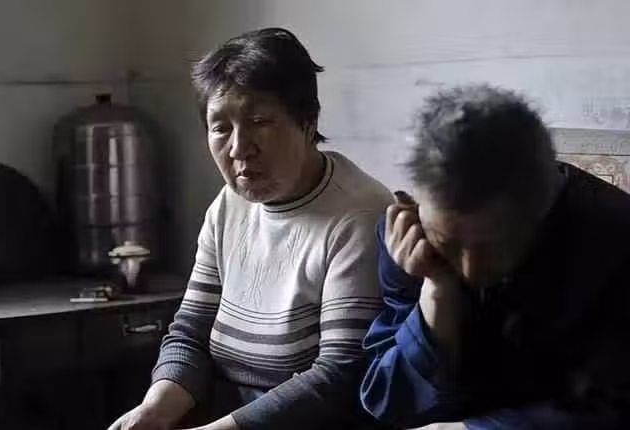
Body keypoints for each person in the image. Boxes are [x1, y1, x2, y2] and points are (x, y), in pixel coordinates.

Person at [108, 28, 393, 430]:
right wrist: (154, 411)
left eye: (259, 122)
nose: (240, 148)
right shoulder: (230, 205)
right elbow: (190, 333)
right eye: (221, 128)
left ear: (307, 122)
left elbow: (340, 375)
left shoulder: (360, 216)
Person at [360, 84, 630, 429]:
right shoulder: (409, 237)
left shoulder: (614, 241)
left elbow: (609, 409)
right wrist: (436, 295)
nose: (469, 270)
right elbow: (386, 401)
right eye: (449, 243)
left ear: (542, 209)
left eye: (494, 245)